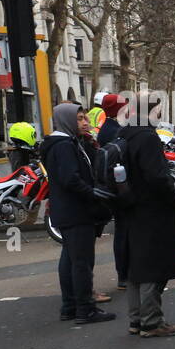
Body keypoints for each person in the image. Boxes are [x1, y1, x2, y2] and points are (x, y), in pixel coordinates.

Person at [118, 96, 175, 338]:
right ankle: (151, 321)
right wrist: (173, 196)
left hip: (132, 207)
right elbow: (157, 177)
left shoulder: (126, 134)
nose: (160, 114)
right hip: (152, 209)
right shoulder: (147, 138)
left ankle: (136, 319)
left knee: (137, 266)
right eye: (158, 110)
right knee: (153, 266)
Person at [40, 103, 115, 324]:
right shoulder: (63, 145)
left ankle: (70, 305)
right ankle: (85, 309)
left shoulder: (64, 143)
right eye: (80, 118)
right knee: (81, 261)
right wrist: (93, 194)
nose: (85, 122)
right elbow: (70, 178)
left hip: (67, 209)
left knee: (70, 259)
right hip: (75, 210)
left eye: (85, 118)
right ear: (66, 120)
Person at [92, 94, 132, 289]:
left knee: (123, 230)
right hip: (118, 187)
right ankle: (123, 274)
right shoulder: (115, 131)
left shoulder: (108, 128)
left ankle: (124, 273)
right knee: (124, 230)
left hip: (114, 186)